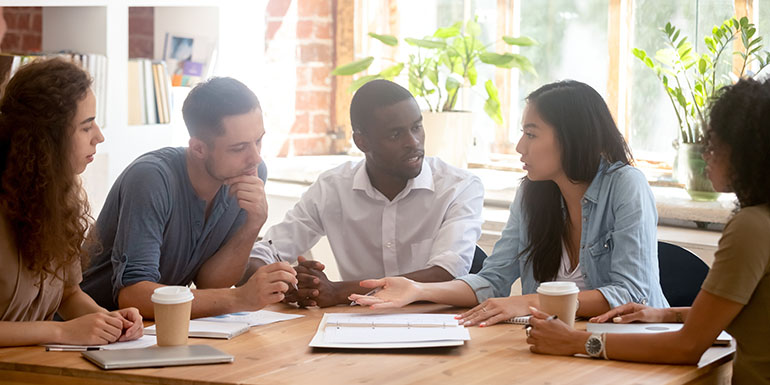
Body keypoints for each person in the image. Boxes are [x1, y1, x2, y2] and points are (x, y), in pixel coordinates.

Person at [350, 80, 667, 324]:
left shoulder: (626, 185)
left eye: (531, 134)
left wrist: (529, 303)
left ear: (572, 138)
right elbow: (493, 279)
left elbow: (630, 294)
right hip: (556, 345)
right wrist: (417, 290)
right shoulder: (533, 192)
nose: (519, 147)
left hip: (632, 347)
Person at [526, 78, 770, 384]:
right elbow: (742, 312)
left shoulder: (751, 227)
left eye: (715, 143)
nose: (706, 153)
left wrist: (575, 343)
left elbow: (688, 346)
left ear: (749, 150)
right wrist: (667, 314)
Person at [248, 79, 484, 307]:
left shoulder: (459, 187)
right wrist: (291, 283)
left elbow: (448, 274)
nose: (413, 142)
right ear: (362, 142)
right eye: (395, 134)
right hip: (357, 328)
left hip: (437, 325)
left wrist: (339, 292)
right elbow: (267, 252)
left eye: (416, 127)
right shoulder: (332, 189)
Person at [81, 77, 297, 319]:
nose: (255, 158)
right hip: (87, 328)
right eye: (239, 148)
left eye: (258, 141)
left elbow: (210, 283)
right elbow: (133, 296)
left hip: (153, 331)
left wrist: (253, 224)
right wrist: (240, 297)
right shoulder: (151, 179)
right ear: (198, 149)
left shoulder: (249, 174)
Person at [0, 58, 143, 346]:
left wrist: (108, 321)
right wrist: (61, 332)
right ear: (46, 139)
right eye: (86, 127)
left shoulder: (57, 195)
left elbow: (68, 293)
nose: (99, 137)